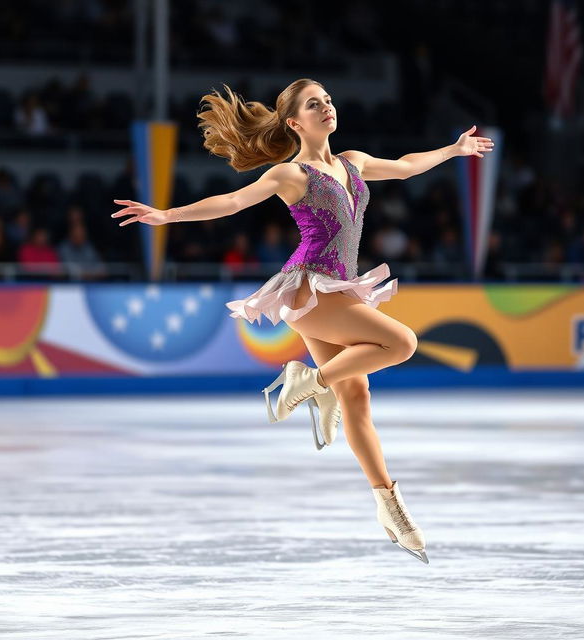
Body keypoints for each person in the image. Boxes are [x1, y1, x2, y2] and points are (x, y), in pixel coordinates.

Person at [110, 79, 494, 564]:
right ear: (295, 122)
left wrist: (454, 150)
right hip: (311, 288)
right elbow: (231, 203)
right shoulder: (290, 174)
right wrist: (166, 215)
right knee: (403, 342)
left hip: (339, 289)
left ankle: (387, 502)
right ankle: (307, 381)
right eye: (315, 104)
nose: (328, 106)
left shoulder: (352, 161)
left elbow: (402, 168)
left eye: (329, 99)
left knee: (356, 396)